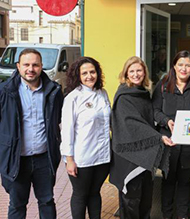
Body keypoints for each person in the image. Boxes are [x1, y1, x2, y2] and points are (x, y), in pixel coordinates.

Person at [0, 48, 63, 218]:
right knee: (17, 205)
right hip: (17, 160)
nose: (31, 68)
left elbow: (60, 120)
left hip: (44, 158)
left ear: (41, 66)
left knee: (47, 202)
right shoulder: (5, 91)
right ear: (18, 66)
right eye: (26, 64)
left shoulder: (54, 91)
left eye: (35, 65)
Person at [109, 56, 175, 219]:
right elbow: (132, 124)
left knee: (146, 198)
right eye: (131, 71)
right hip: (128, 155)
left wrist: (167, 122)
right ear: (125, 74)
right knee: (131, 200)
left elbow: (151, 114)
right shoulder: (124, 96)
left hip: (145, 151)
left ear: (144, 72)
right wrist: (158, 137)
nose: (136, 74)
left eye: (139, 70)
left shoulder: (143, 93)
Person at [152, 50, 190, 219]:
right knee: (168, 182)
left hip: (189, 145)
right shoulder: (163, 85)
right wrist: (165, 121)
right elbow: (154, 110)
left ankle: (183, 216)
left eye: (188, 65)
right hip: (168, 142)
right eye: (181, 65)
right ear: (174, 66)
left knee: (185, 183)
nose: (184, 69)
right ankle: (167, 215)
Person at [60, 57, 111, 219]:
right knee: (81, 195)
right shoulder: (73, 98)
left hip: (102, 156)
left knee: (95, 193)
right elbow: (66, 130)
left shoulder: (103, 93)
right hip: (81, 158)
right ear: (78, 76)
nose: (89, 76)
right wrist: (69, 160)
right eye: (85, 73)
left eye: (92, 72)